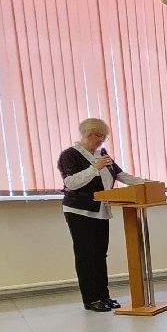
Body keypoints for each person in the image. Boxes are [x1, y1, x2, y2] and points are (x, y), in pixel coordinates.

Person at [58, 117, 149, 312]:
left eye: (104, 137)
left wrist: (146, 183)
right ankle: (90, 299)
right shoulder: (69, 155)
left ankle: (103, 296)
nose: (101, 140)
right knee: (86, 255)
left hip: (101, 210)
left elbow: (120, 175)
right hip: (79, 211)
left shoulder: (102, 154)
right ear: (87, 134)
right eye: (98, 136)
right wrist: (94, 169)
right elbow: (71, 183)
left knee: (100, 254)